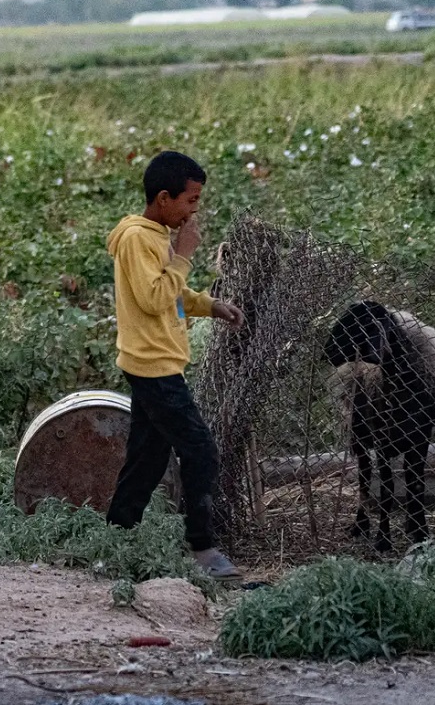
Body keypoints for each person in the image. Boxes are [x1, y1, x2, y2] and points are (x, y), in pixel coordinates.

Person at [105, 150, 246, 580]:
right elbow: (153, 297)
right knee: (200, 448)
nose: (194, 209)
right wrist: (184, 254)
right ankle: (202, 549)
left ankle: (116, 538)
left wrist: (210, 305)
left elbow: (172, 291)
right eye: (191, 200)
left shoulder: (154, 236)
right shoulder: (136, 239)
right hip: (153, 366)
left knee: (147, 457)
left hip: (157, 362)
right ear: (164, 198)